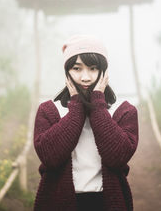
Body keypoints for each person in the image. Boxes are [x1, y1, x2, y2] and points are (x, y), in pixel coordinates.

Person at [33, 34, 139, 211]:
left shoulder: (123, 110)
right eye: (76, 68)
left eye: (93, 68)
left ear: (104, 71)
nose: (85, 77)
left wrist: (98, 104)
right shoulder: (49, 110)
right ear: (67, 71)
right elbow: (49, 158)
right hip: (58, 201)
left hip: (107, 203)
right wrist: (76, 108)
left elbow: (118, 157)